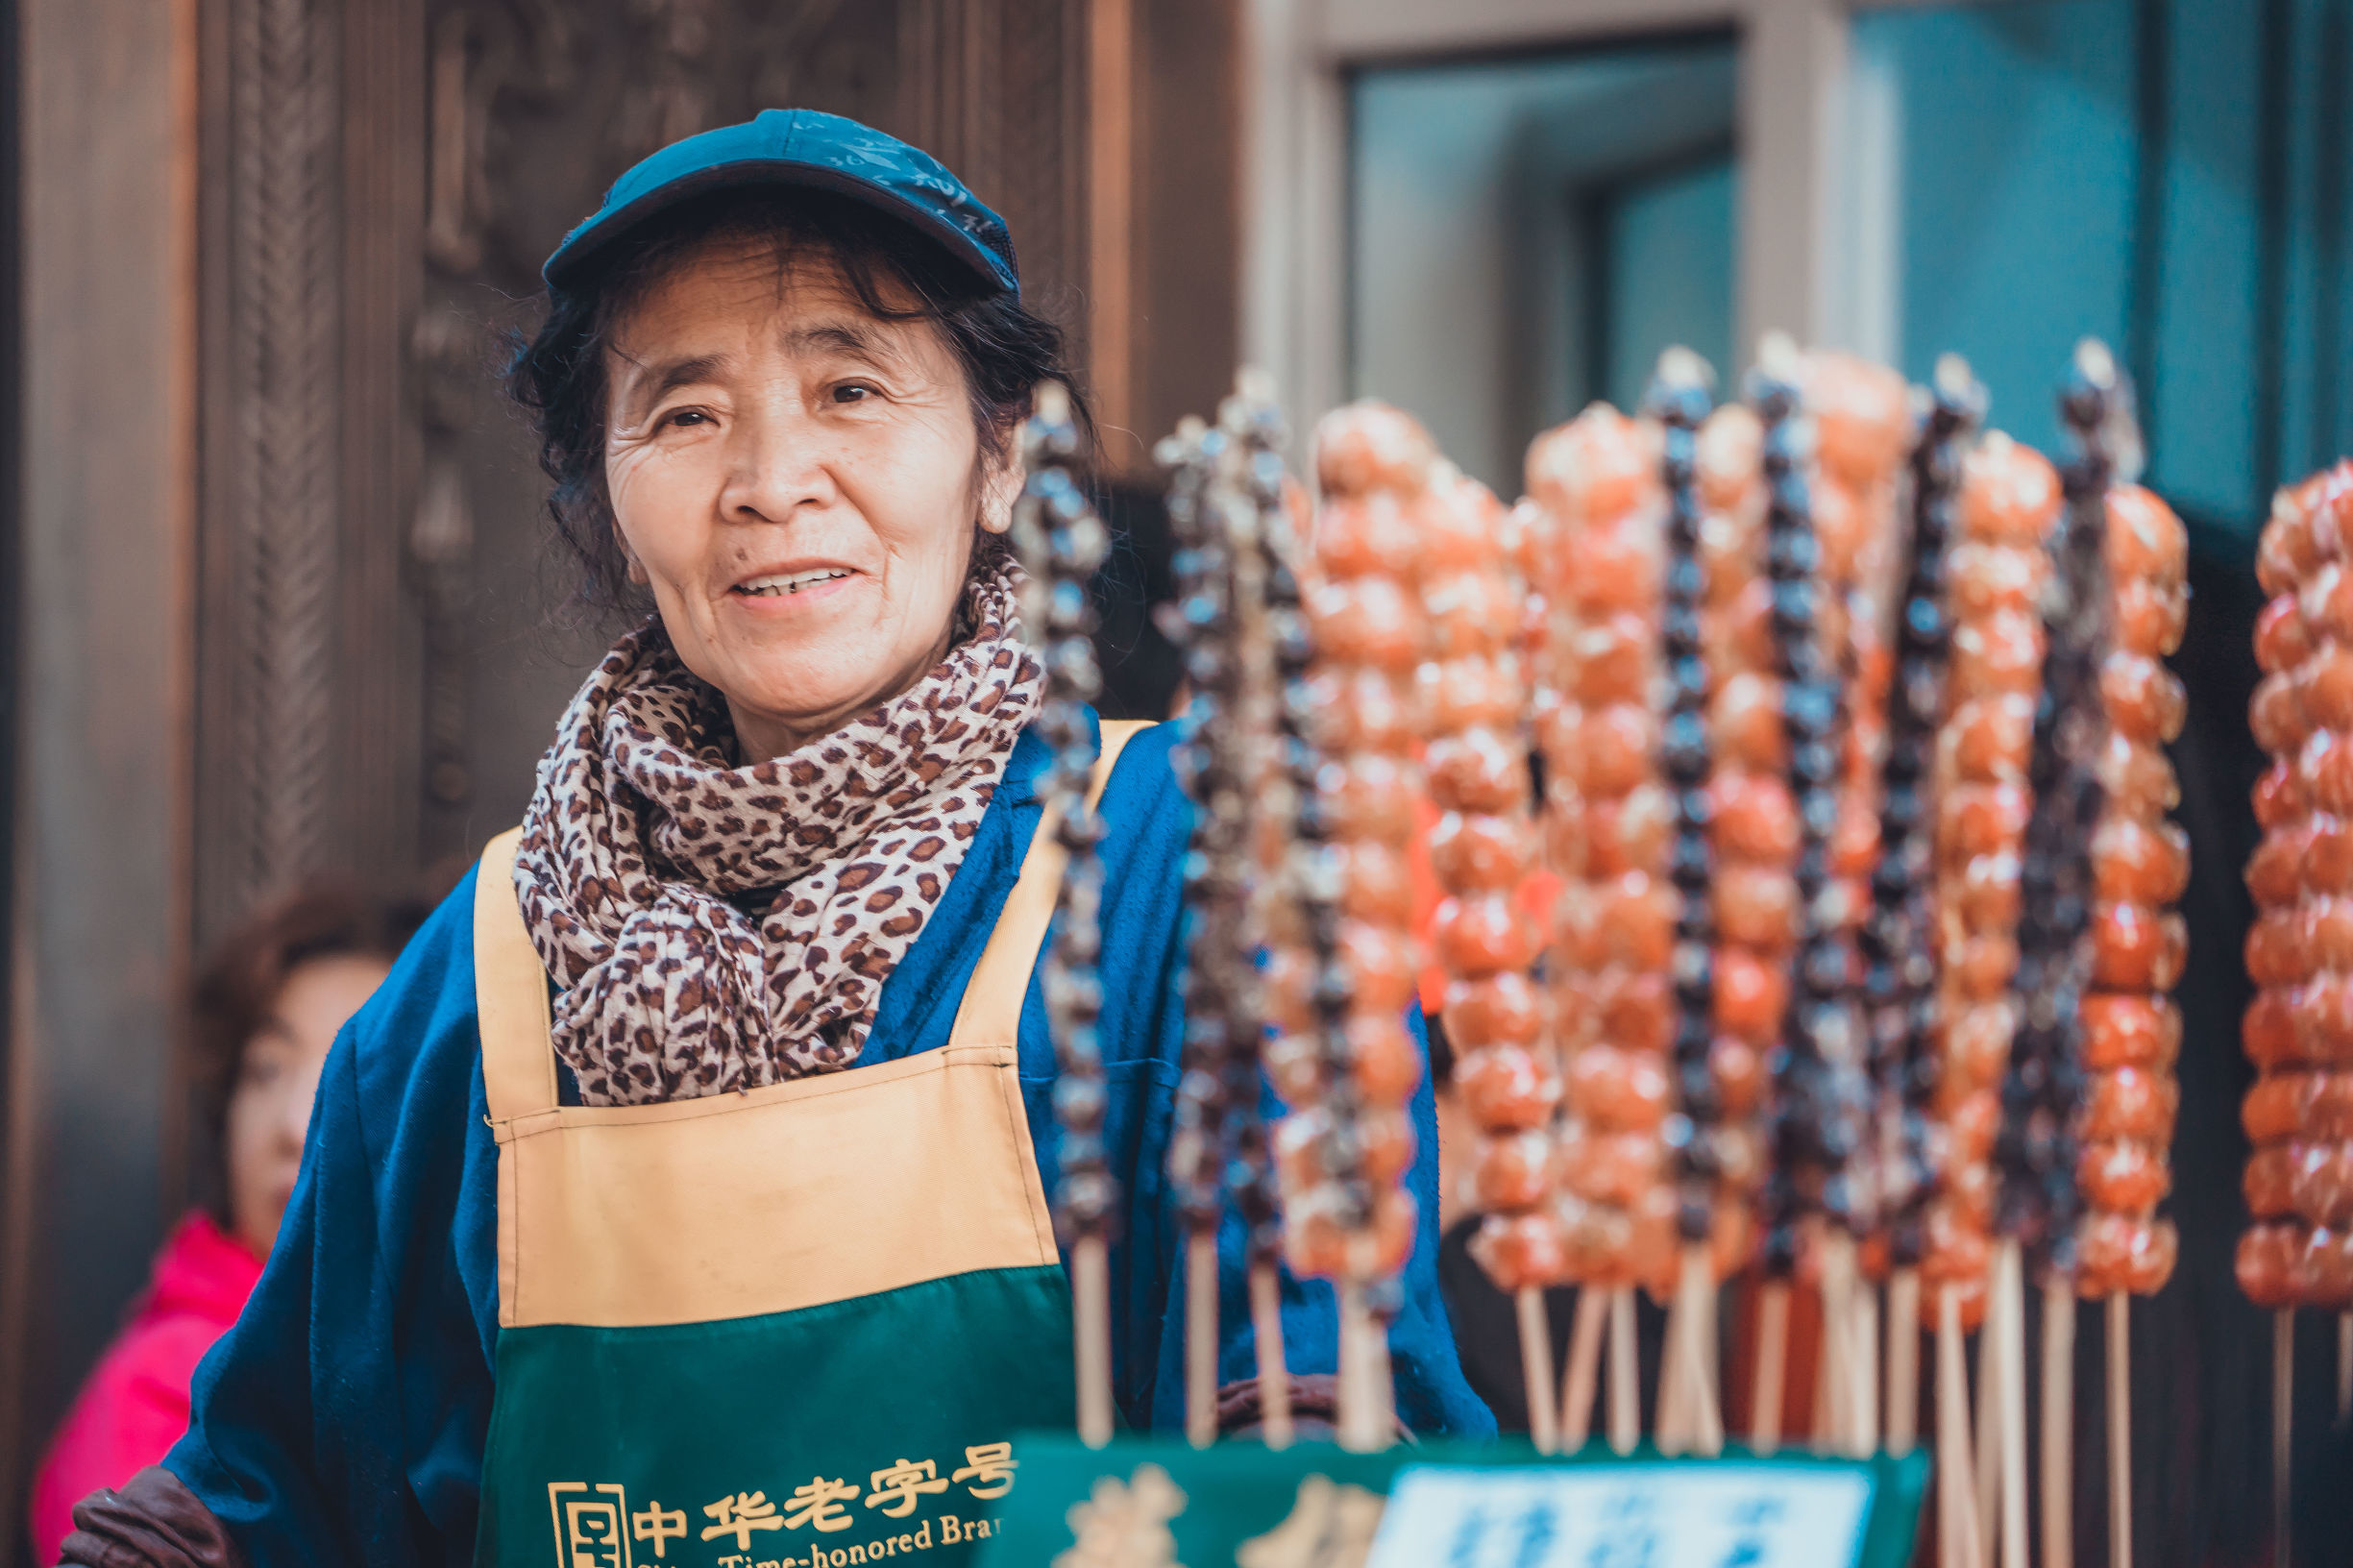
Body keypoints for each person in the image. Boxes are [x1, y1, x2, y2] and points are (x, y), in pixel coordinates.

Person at [60, 110, 1490, 1568]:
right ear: (609, 505)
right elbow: (272, 1497)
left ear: (1004, 459)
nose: (769, 480)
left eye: (852, 388)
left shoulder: (1196, 862)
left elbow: (1317, 1453)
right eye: (684, 413)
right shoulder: (472, 987)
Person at [32, 883, 426, 1565]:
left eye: (354, 1073)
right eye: (268, 1069)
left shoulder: (454, 1363)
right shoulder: (171, 1389)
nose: (296, 1126)